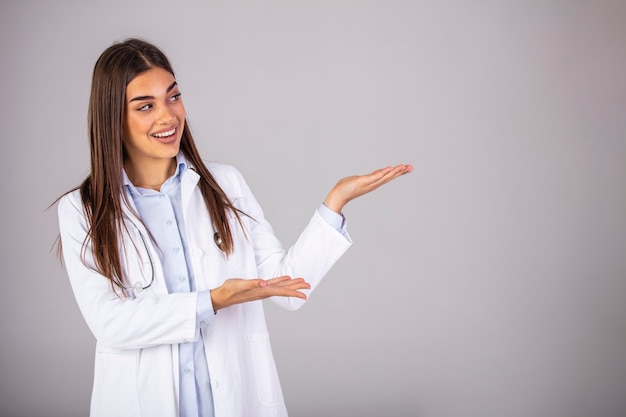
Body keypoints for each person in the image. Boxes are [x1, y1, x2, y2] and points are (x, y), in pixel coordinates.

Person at [56, 37, 412, 417]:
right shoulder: (83, 209)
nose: (168, 116)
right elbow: (109, 323)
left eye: (173, 97)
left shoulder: (226, 186)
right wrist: (213, 300)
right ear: (113, 118)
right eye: (146, 106)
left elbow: (286, 287)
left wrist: (335, 202)